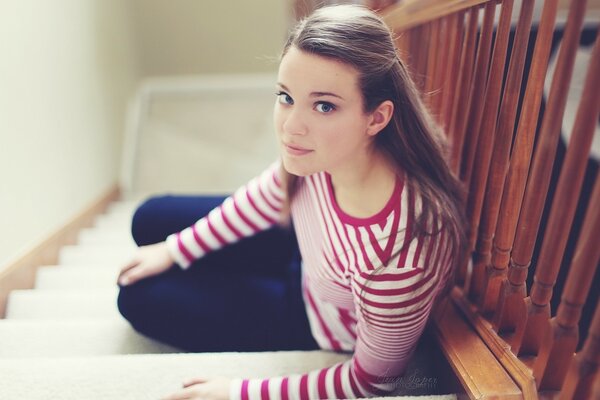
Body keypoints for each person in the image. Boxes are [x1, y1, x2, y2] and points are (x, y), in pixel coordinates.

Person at [117, 4, 467, 400]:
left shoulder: (400, 255)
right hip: (306, 251)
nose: (291, 127)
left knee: (138, 298)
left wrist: (236, 391)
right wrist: (175, 250)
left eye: (324, 105)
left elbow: (372, 381)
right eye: (285, 96)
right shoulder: (323, 152)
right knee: (149, 219)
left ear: (376, 118)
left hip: (312, 316)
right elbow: (269, 194)